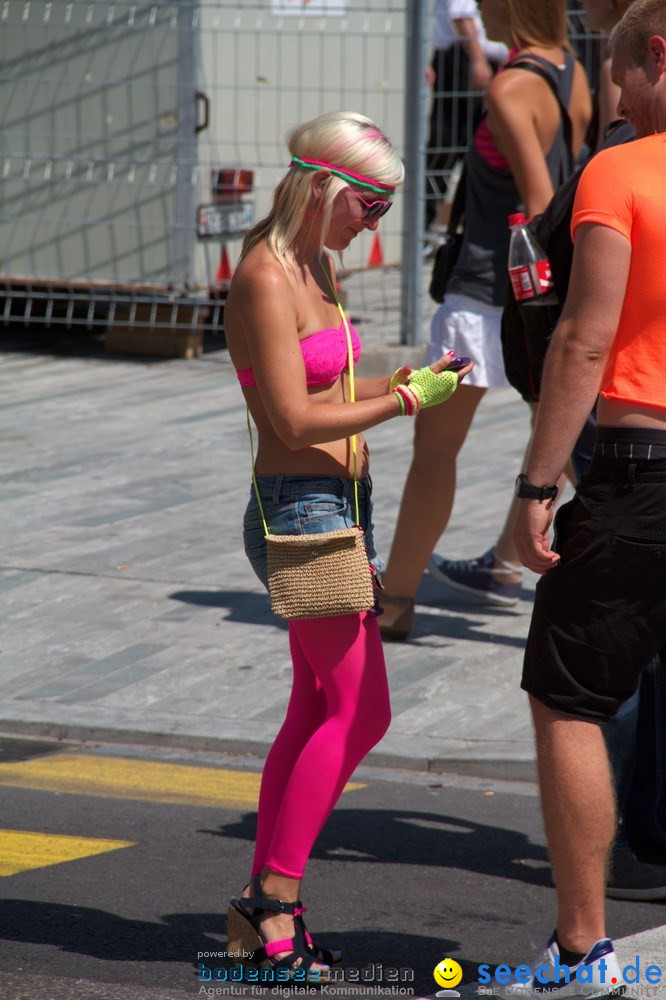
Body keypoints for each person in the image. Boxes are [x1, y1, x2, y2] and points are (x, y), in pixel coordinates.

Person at [223, 110, 472, 977]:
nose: (377, 223)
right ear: (325, 185)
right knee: (362, 711)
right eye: (370, 204)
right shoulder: (265, 272)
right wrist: (407, 405)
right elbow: (292, 421)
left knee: (316, 709)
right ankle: (274, 902)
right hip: (301, 510)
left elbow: (324, 381)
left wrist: (398, 384)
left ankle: (268, 907)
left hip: (338, 502)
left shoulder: (312, 260)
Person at [510, 1, 666, 993]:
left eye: (619, 81)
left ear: (658, 57)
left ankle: (579, 950)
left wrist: (534, 485)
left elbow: (581, 339)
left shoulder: (622, 169)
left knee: (566, 696)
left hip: (643, 470)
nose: (614, 102)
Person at [380, 0, 592, 639]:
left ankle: (395, 604)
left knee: (434, 453)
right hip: (538, 296)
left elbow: (537, 202)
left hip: (487, 296)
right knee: (572, 456)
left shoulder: (511, 85)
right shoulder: (572, 71)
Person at [425, 0, 508, 232]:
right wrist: (478, 59)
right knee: (447, 148)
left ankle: (470, 224)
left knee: (475, 147)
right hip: (464, 59)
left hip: (477, 58)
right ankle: (427, 223)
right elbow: (460, 14)